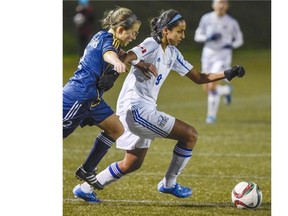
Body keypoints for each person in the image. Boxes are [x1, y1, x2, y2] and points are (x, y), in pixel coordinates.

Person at [72, 9, 245, 203]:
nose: (183, 35)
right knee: (190, 135)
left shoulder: (173, 53)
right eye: (179, 31)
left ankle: (84, 188)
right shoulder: (151, 44)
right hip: (135, 108)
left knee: (132, 162)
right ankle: (169, 183)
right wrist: (125, 67)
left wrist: (228, 73)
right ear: (165, 31)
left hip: (143, 108)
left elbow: (199, 78)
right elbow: (128, 55)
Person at [63, 7, 153, 203]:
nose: (134, 36)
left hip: (92, 100)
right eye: (133, 32)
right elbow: (109, 54)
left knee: (115, 129)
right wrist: (117, 64)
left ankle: (87, 170)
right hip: (77, 97)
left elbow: (118, 51)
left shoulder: (103, 36)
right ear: (120, 29)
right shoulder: (107, 41)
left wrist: (138, 64)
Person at [194, 0, 244, 123]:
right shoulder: (206, 18)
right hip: (207, 54)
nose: (221, 5)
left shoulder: (231, 22)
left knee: (212, 84)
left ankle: (211, 116)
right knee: (206, 86)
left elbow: (239, 40)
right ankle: (226, 90)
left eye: (224, 3)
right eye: (219, 2)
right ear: (213, 5)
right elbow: (197, 36)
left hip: (222, 56)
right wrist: (208, 38)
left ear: (227, 6)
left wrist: (230, 45)